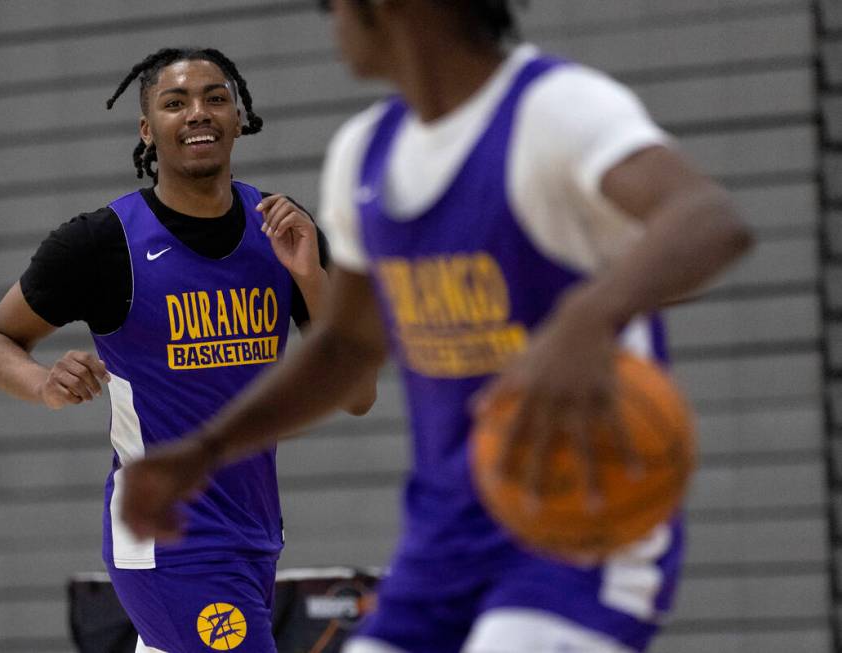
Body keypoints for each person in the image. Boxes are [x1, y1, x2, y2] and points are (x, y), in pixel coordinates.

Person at [119, 2, 754, 652]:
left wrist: (590, 315)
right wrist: (205, 451)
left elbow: (706, 217)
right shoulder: (365, 153)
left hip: (574, 521)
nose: (332, 23)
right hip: (445, 537)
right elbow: (344, 347)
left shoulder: (556, 108)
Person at [0, 46, 376, 653]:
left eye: (215, 97)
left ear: (239, 117)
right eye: (175, 102)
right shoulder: (102, 243)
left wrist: (312, 275)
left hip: (254, 529)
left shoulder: (283, 231)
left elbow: (358, 396)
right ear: (148, 129)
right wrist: (43, 383)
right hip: (166, 539)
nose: (198, 113)